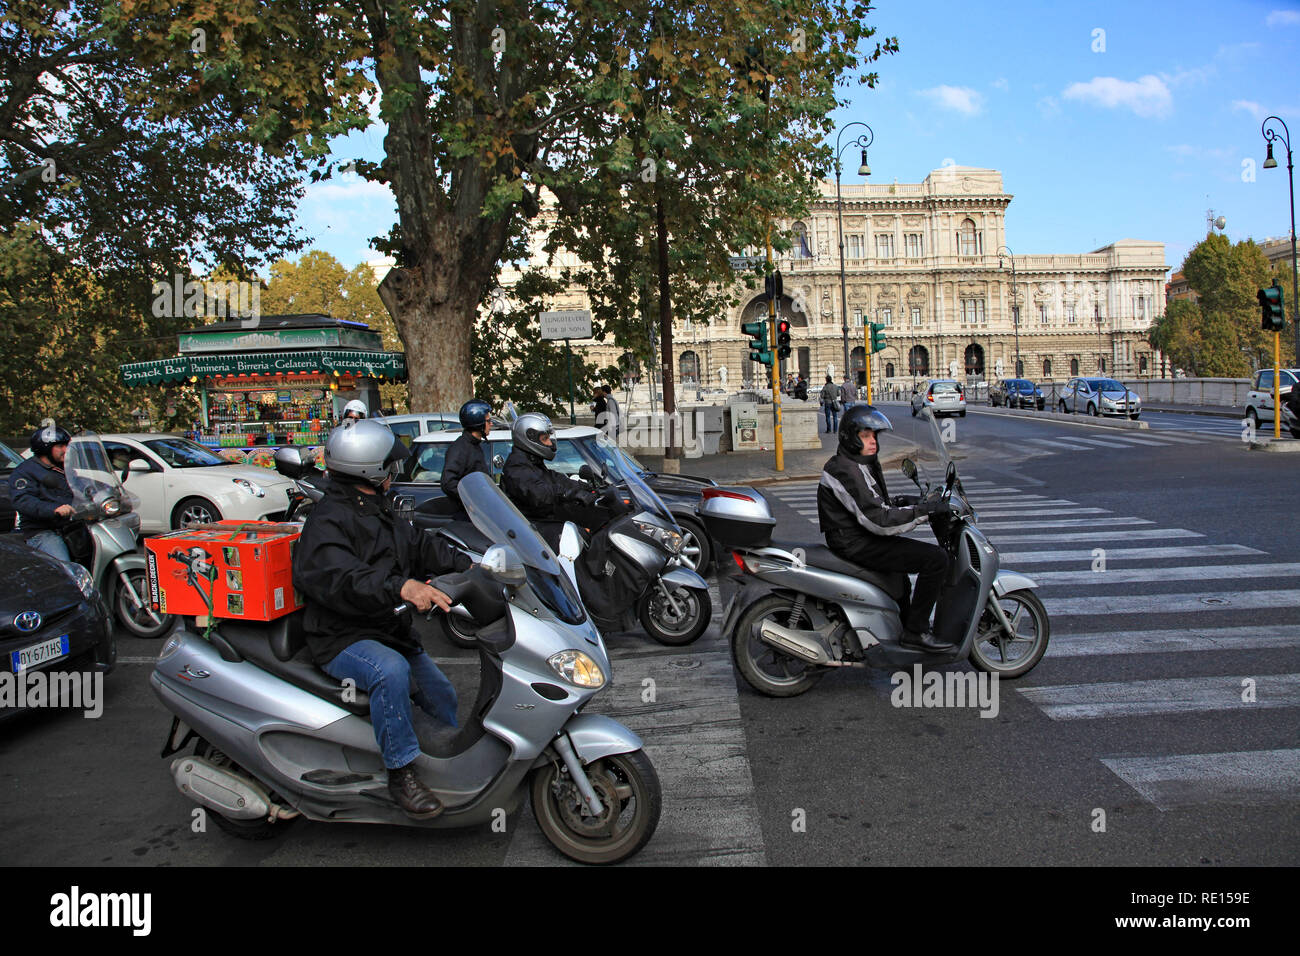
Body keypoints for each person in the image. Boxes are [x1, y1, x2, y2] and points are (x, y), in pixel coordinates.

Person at [292, 419, 466, 819]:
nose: (394, 470)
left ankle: (446, 767)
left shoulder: (377, 508)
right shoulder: (328, 521)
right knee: (390, 672)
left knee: (441, 693)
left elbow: (418, 543)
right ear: (369, 468)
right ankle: (401, 772)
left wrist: (475, 563)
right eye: (389, 463)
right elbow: (341, 577)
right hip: (341, 637)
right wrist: (401, 588)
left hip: (384, 629)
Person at [817, 405, 954, 653]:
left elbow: (872, 503)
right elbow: (878, 520)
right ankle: (915, 632)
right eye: (866, 436)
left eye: (874, 436)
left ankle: (902, 630)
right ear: (850, 437)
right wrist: (926, 511)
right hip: (855, 542)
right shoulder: (845, 469)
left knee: (900, 579)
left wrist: (906, 502)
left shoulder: (856, 462)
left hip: (856, 536)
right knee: (936, 560)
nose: (873, 442)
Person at [501, 412, 598, 549]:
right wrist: (569, 493)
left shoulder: (532, 461)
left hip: (543, 520)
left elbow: (555, 478)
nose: (550, 443)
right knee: (577, 540)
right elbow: (540, 494)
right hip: (530, 528)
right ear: (530, 439)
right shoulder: (516, 467)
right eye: (545, 438)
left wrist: (583, 487)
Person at [11, 422, 77, 562]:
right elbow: (23, 500)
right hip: (42, 531)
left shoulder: (64, 468)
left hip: (70, 526)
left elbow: (80, 485)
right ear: (45, 448)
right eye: (60, 446)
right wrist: (54, 509)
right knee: (64, 567)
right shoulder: (26, 471)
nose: (65, 450)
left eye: (67, 445)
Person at [441, 399, 493, 512]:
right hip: (466, 514)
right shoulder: (460, 448)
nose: (491, 424)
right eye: (488, 421)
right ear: (478, 423)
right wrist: (469, 499)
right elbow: (448, 482)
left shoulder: (475, 445)